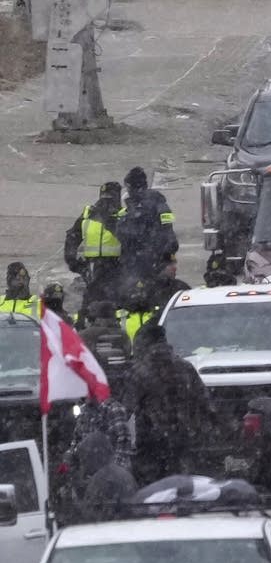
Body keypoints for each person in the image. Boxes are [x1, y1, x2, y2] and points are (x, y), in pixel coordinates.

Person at [120, 324, 215, 483]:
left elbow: (125, 410)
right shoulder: (186, 368)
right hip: (183, 440)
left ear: (145, 343)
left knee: (155, 494)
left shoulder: (138, 371)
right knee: (183, 488)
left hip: (151, 444)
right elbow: (205, 402)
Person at [114, 167, 177, 294]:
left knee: (135, 295)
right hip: (155, 259)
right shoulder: (159, 203)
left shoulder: (138, 206)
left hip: (140, 262)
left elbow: (126, 233)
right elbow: (168, 227)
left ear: (132, 187)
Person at [64, 182, 124, 306]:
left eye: (109, 197)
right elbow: (73, 236)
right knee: (92, 302)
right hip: (93, 265)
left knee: (114, 303)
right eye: (104, 197)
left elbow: (129, 239)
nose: (106, 200)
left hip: (115, 266)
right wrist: (72, 261)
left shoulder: (122, 215)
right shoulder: (89, 213)